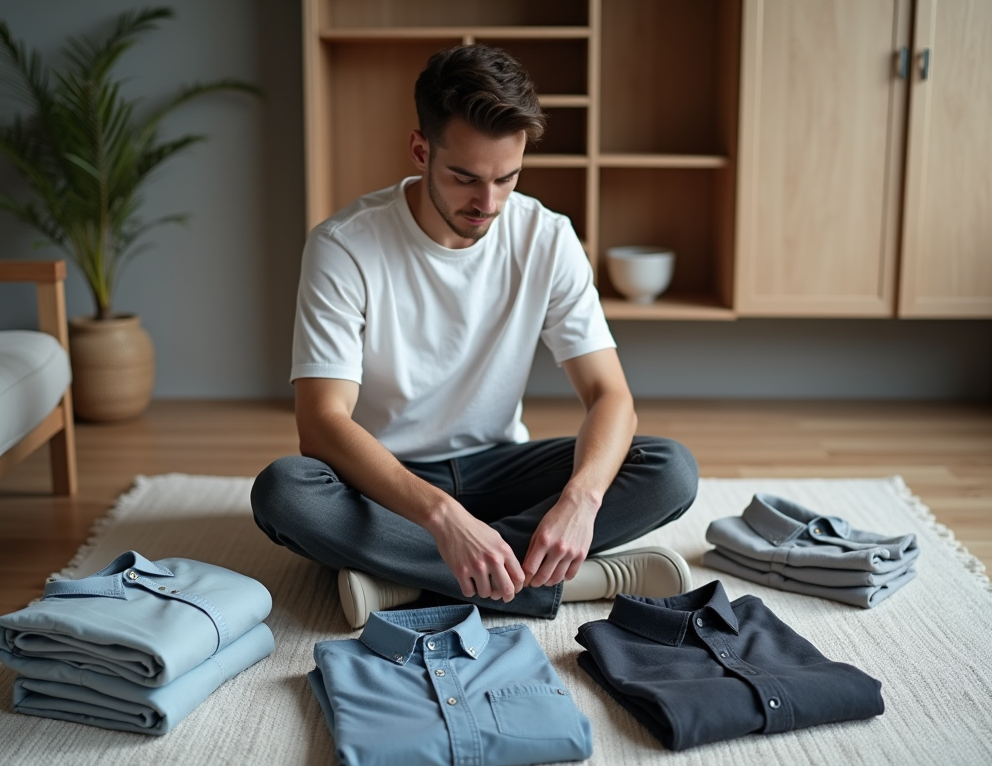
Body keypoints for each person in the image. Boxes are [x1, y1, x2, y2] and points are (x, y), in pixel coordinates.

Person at [251, 44, 699, 627]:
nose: (487, 204)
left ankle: (404, 582)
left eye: (506, 178)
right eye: (464, 178)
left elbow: (610, 395)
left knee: (668, 468)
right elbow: (322, 423)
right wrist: (442, 518)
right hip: (391, 484)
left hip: (502, 468)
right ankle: (559, 581)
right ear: (421, 149)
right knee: (285, 492)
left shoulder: (547, 238)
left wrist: (580, 500)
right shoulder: (344, 247)